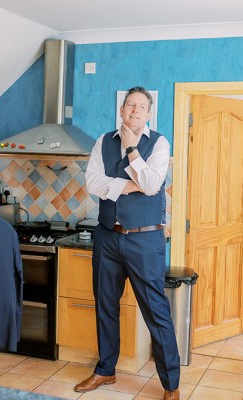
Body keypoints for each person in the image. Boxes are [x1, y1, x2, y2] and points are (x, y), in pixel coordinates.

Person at [77, 86, 180, 400]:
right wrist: (129, 185)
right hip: (108, 236)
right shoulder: (103, 141)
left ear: (148, 113)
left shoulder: (159, 142)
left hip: (145, 239)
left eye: (141, 106)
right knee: (105, 305)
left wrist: (133, 150)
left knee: (156, 312)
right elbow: (92, 182)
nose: (135, 110)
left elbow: (151, 185)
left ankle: (171, 385)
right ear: (121, 110)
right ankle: (106, 369)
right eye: (130, 105)